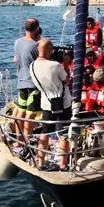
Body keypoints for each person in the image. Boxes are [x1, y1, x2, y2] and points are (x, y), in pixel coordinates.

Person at [30, 39, 73, 169]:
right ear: (50, 50)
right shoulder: (55, 65)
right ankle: (63, 164)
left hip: (46, 104)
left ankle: (41, 162)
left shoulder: (32, 66)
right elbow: (67, 80)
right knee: (63, 134)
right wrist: (65, 64)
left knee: (45, 133)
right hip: (62, 104)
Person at [13, 18, 42, 135]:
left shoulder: (17, 42)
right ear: (37, 29)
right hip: (33, 85)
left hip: (21, 83)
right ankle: (27, 141)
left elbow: (15, 59)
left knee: (20, 112)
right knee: (30, 115)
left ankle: (18, 141)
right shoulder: (36, 46)